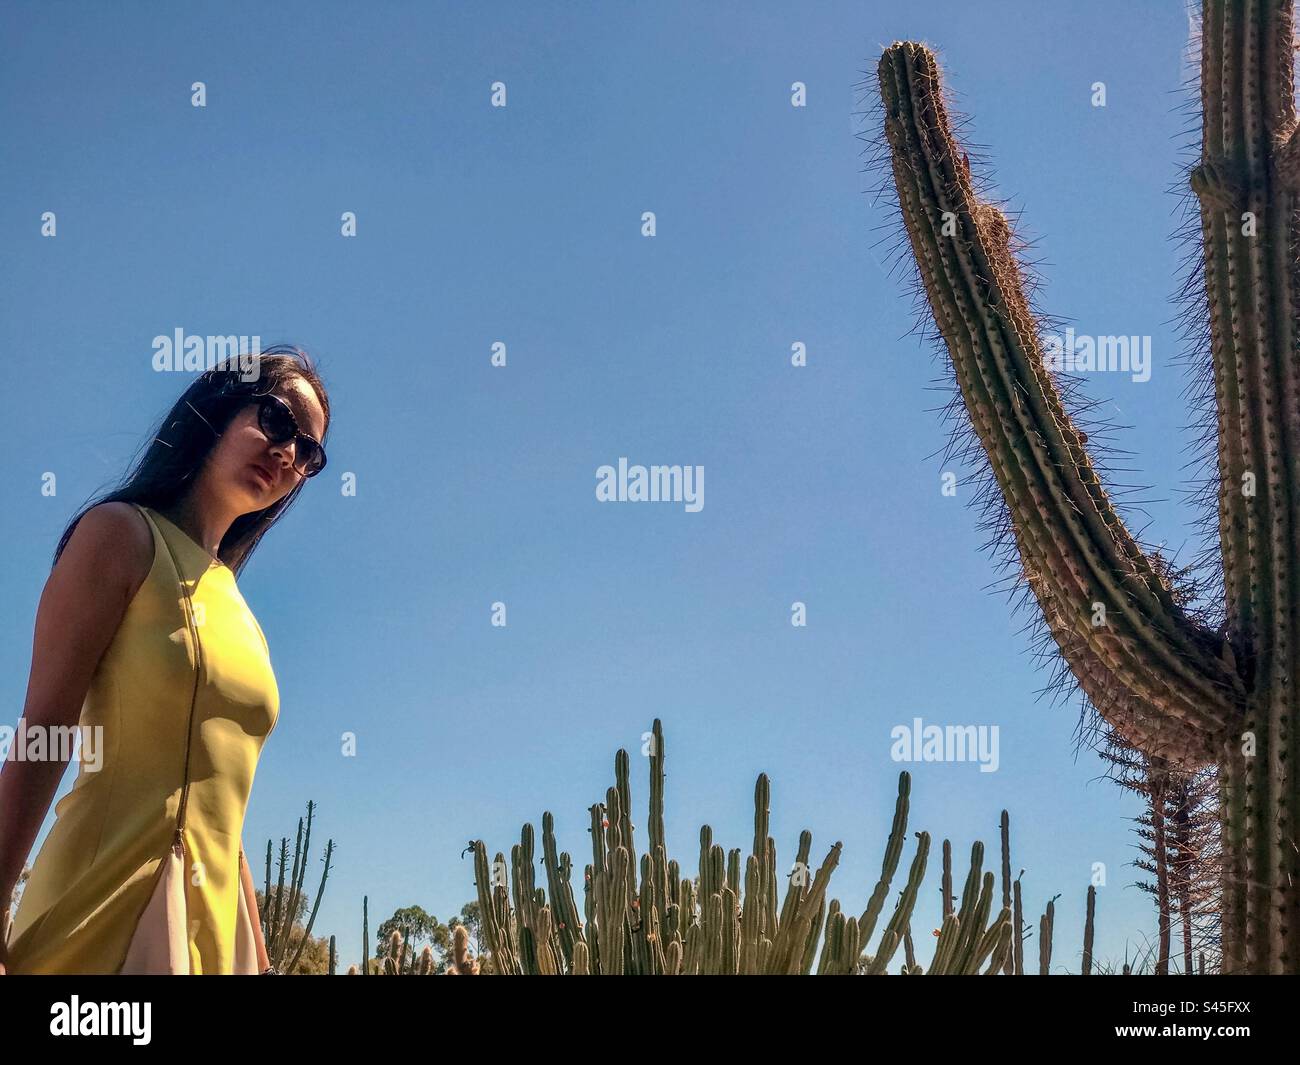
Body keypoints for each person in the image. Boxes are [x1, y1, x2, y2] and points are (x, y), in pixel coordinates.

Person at [0, 345, 330, 974]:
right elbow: (43, 729)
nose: (287, 452)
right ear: (219, 407)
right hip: (101, 915)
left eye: (308, 453)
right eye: (278, 420)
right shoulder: (119, 534)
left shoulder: (242, 615)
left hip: (215, 939)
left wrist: (257, 960)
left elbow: (220, 804)